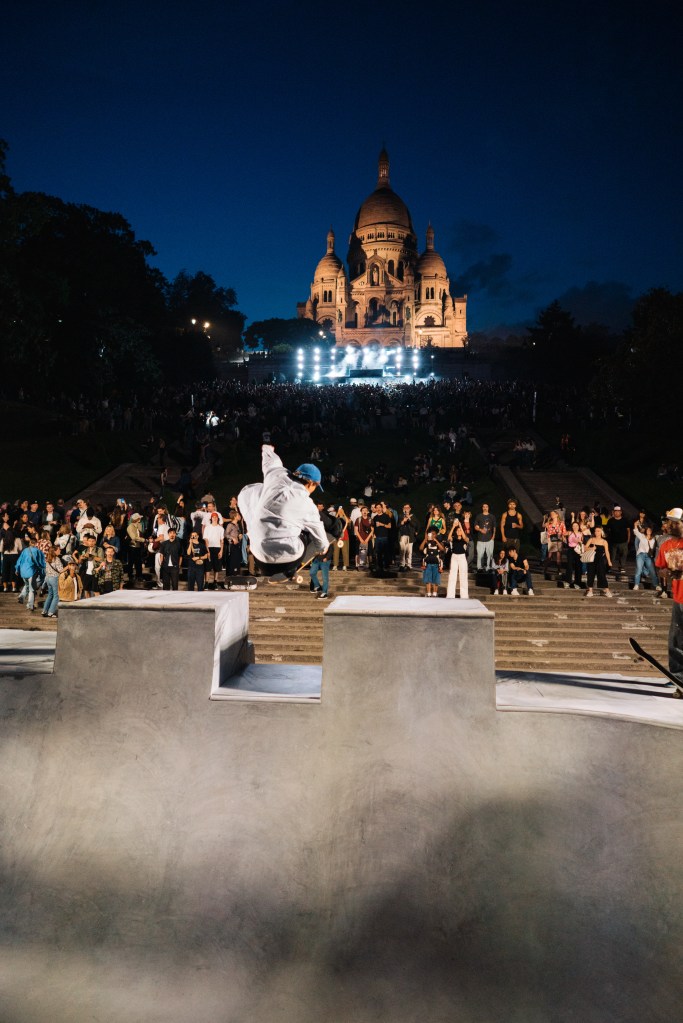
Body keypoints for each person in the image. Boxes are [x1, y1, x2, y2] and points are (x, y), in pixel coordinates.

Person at [237, 445, 329, 580]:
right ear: (311, 483)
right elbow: (320, 539)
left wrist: (267, 449)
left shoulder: (277, 475)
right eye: (315, 486)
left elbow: (271, 461)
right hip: (289, 559)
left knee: (257, 490)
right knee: (306, 531)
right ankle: (291, 570)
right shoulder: (307, 505)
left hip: (260, 558)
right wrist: (323, 548)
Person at [654, 507, 683, 684]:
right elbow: (661, 568)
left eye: (675, 522)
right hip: (679, 597)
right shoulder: (666, 545)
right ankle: (678, 675)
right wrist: (665, 573)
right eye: (668, 522)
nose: (670, 526)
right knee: (676, 638)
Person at [16, 538, 46, 613]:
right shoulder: (38, 551)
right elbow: (41, 562)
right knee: (32, 589)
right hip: (31, 571)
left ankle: (22, 596)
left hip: (23, 572)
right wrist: (42, 570)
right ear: (36, 543)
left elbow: (19, 560)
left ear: (30, 542)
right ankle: (30, 605)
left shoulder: (25, 550)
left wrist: (17, 569)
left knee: (26, 585)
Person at [584, 526, 613, 597]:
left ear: (601, 532)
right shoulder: (591, 539)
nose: (596, 532)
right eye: (596, 531)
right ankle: (590, 590)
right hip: (591, 559)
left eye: (598, 531)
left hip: (600, 560)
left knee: (602, 574)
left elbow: (607, 552)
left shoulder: (604, 541)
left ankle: (606, 590)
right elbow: (585, 548)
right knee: (590, 574)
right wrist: (591, 548)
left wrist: (609, 561)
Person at [605, 505, 630, 578]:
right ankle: (609, 567)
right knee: (612, 555)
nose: (616, 513)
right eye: (615, 511)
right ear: (613, 512)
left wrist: (628, 539)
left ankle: (621, 567)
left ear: (621, 512)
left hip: (623, 541)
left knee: (624, 554)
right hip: (613, 542)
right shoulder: (611, 520)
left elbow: (628, 530)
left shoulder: (625, 520)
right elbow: (607, 530)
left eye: (618, 511)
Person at [445, 522, 469, 599]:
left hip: (462, 557)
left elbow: (466, 538)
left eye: (460, 530)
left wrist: (461, 527)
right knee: (452, 575)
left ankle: (464, 595)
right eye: (457, 530)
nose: (459, 531)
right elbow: (449, 537)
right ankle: (450, 595)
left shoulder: (465, 539)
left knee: (463, 575)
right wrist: (453, 527)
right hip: (454, 556)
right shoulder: (454, 539)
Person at [632, 523, 659, 590]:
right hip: (641, 555)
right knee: (639, 569)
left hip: (648, 556)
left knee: (652, 571)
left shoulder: (653, 539)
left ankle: (656, 585)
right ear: (646, 531)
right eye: (647, 530)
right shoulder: (642, 536)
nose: (648, 531)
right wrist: (635, 525)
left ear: (651, 531)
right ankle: (636, 584)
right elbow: (636, 532)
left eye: (650, 530)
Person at [419, 528, 445, 597]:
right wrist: (425, 539)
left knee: (436, 580)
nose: (432, 535)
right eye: (431, 534)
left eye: (434, 534)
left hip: (437, 564)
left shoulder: (439, 542)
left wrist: (436, 540)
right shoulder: (427, 542)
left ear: (436, 535)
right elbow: (421, 548)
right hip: (428, 564)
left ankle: (435, 592)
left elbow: (442, 549)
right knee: (428, 579)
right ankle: (428, 592)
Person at [474, 503, 496, 570]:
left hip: (490, 539)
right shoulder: (479, 516)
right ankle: (479, 568)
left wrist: (493, 536)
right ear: (482, 508)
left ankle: (489, 567)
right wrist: (480, 530)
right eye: (484, 507)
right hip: (480, 539)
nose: (485, 508)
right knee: (480, 555)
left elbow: (494, 527)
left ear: (488, 508)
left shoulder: (492, 516)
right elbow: (475, 527)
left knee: (490, 554)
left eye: (486, 507)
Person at [398, 503, 419, 572]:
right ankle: (402, 564)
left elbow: (415, 525)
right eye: (405, 508)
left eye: (407, 508)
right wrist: (402, 522)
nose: (406, 509)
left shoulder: (413, 516)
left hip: (410, 536)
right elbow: (397, 525)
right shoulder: (400, 516)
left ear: (410, 509)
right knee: (402, 551)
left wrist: (409, 519)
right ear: (403, 509)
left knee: (409, 551)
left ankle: (408, 565)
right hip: (402, 535)